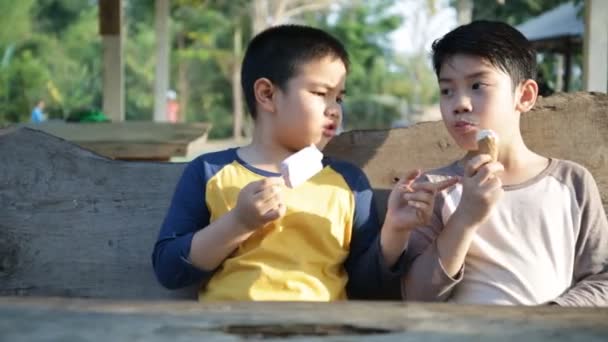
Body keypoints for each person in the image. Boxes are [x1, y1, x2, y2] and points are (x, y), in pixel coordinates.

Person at [152, 24, 456, 301]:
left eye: (339, 98)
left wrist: (395, 231)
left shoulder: (348, 183)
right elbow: (169, 270)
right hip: (230, 328)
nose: (334, 110)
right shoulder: (211, 171)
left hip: (323, 329)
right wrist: (238, 223)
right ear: (267, 94)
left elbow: (367, 287)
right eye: (321, 93)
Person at [401, 20, 608, 306]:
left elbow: (601, 279)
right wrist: (465, 217)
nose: (459, 103)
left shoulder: (571, 182)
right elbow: (417, 296)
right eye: (447, 90)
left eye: (477, 85)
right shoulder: (435, 190)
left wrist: (553, 314)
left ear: (524, 96)